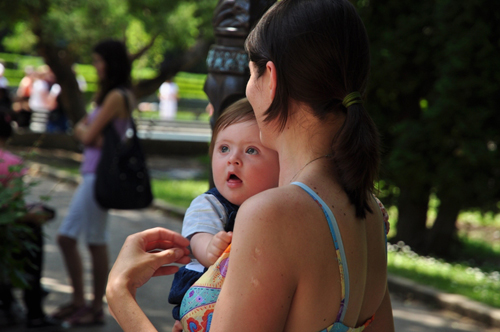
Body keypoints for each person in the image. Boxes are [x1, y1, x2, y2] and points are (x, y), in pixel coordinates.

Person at [107, 0, 395, 331]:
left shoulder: (272, 215)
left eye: (250, 72)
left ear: (269, 79)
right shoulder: (371, 212)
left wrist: (120, 294)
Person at [168, 98, 279, 320]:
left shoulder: (278, 206)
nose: (233, 160)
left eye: (251, 150)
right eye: (224, 148)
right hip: (204, 299)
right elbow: (196, 235)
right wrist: (210, 248)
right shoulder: (210, 204)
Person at [51, 39, 135, 327]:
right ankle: (82, 303)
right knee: (81, 239)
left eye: (99, 60)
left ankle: (92, 306)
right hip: (91, 173)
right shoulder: (107, 95)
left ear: (111, 63)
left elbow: (85, 134)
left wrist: (87, 133)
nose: (96, 65)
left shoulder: (117, 97)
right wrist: (88, 132)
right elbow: (84, 129)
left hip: (100, 176)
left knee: (86, 240)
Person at [0, 111, 61, 331]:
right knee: (31, 230)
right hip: (5, 231)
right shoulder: (11, 163)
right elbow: (11, 208)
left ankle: (7, 301)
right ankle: (34, 309)